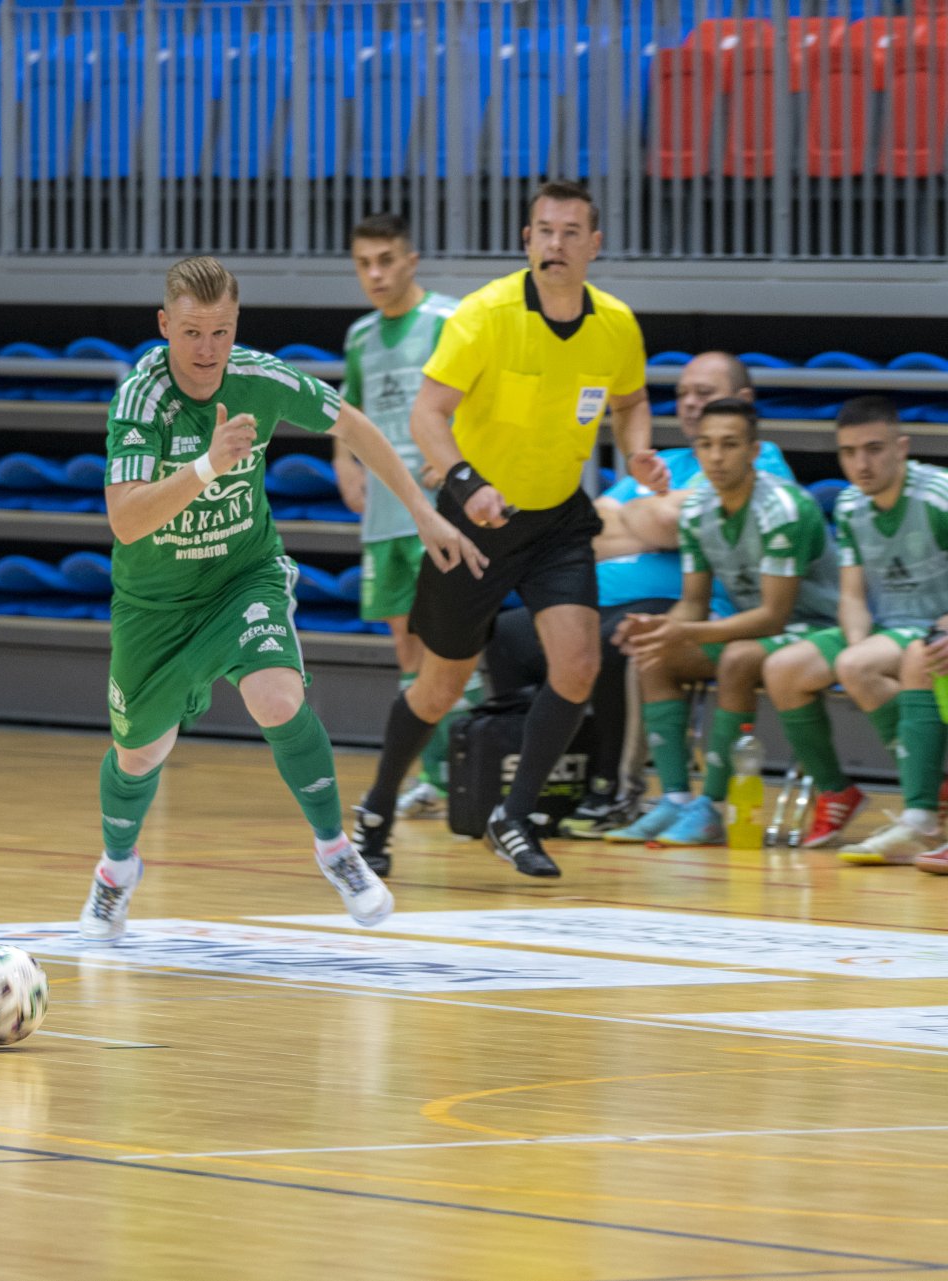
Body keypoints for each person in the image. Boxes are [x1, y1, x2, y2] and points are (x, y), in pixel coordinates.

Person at [81, 255, 483, 942]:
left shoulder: (259, 379)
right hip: (154, 605)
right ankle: (116, 871)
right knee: (140, 752)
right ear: (164, 326)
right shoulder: (142, 399)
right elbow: (125, 519)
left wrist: (422, 509)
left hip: (243, 578)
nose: (207, 350)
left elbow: (354, 425)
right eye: (191, 333)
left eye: (222, 331)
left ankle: (337, 850)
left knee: (277, 696)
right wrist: (209, 465)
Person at [349, 180, 666, 880]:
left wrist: (638, 445)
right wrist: (468, 483)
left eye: (571, 231)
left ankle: (513, 815)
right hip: (476, 525)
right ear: (527, 241)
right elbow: (427, 416)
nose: (556, 242)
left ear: (594, 244)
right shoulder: (484, 314)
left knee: (578, 667)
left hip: (556, 520)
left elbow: (632, 399)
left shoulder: (615, 324)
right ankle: (375, 809)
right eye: (544, 230)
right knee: (437, 688)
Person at [481, 351, 795, 838]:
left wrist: (648, 517)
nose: (690, 404)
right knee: (506, 632)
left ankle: (611, 790)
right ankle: (537, 778)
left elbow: (673, 522)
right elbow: (591, 531)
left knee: (616, 640)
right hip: (598, 594)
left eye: (705, 394)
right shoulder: (661, 463)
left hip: (689, 606)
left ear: (743, 401)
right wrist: (649, 521)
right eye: (684, 393)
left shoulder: (757, 457)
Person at [610, 399, 840, 846]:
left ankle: (712, 807)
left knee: (737, 658)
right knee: (654, 656)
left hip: (818, 627)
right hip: (756, 628)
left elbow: (774, 617)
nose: (716, 457)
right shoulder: (698, 510)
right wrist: (657, 628)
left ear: (754, 451)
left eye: (730, 445)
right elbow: (693, 605)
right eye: (706, 445)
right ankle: (675, 798)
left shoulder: (782, 508)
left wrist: (685, 630)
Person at [335, 212, 479, 821]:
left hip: (438, 513)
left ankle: (469, 778)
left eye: (386, 259)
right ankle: (438, 778)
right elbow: (349, 410)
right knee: (406, 644)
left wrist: (457, 468)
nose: (376, 273)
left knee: (452, 644)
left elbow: (474, 403)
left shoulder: (448, 320)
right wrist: (345, 460)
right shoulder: (361, 336)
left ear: (411, 259)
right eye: (364, 262)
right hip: (385, 520)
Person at [760, 397, 948, 861]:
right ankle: (837, 792)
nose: (861, 464)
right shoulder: (848, 506)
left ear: (902, 447)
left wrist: (858, 661)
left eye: (874, 449)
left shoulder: (937, 496)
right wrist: (859, 647)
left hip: (932, 625)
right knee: (784, 669)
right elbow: (851, 595)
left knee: (868, 665)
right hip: (884, 628)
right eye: (848, 452)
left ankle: (923, 807)